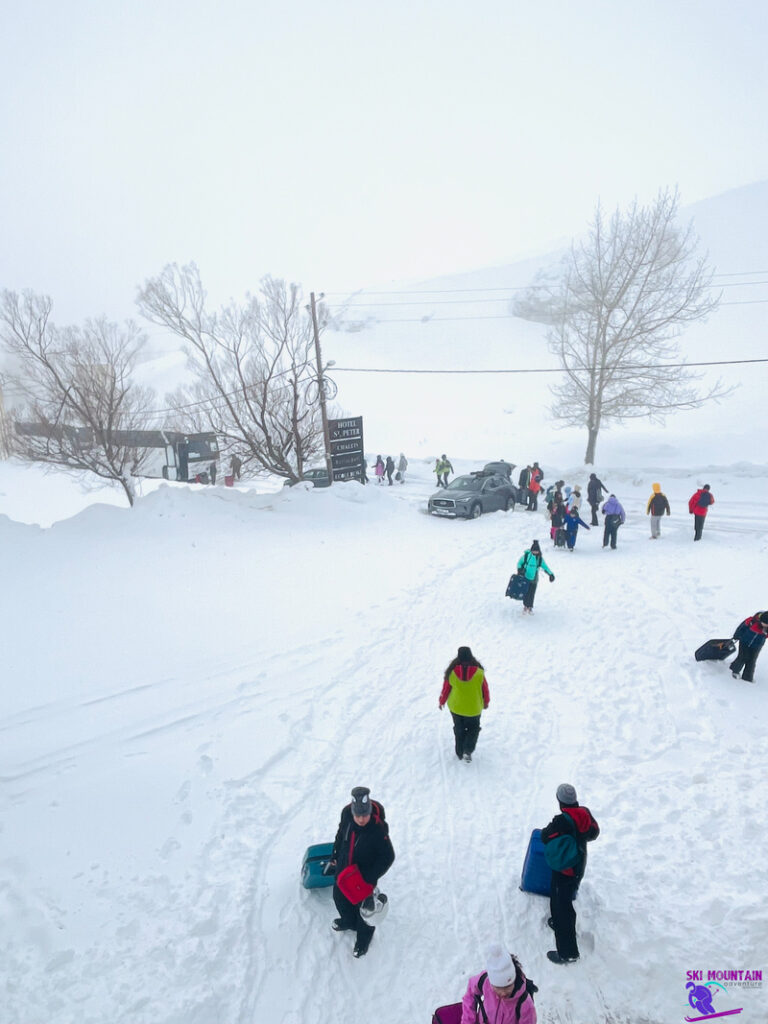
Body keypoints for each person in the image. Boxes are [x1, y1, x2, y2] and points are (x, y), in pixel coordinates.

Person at [327, 786, 395, 958]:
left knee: (365, 910)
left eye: (365, 815)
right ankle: (349, 922)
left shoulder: (377, 829)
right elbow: (340, 835)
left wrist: (369, 877)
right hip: (344, 871)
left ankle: (363, 939)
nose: (361, 819)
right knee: (339, 898)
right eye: (358, 815)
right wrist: (335, 855)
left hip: (363, 878)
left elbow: (388, 856)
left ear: (370, 812)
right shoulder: (346, 815)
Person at [541, 783, 600, 965]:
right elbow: (594, 832)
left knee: (562, 907)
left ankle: (568, 953)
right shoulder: (585, 813)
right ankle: (558, 922)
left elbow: (545, 836)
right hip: (579, 864)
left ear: (560, 801)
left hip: (564, 869)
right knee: (561, 898)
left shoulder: (561, 821)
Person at [460, 945, 538, 1024]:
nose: (503, 993)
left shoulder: (525, 1004)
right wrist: (468, 1021)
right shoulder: (484, 981)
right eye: (497, 988)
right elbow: (470, 992)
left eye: (507, 987)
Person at [438, 646, 489, 763]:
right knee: (473, 729)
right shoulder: (479, 673)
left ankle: (459, 752)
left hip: (456, 707)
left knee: (459, 728)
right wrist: (486, 702)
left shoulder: (451, 673)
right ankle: (467, 749)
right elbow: (485, 690)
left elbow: (446, 689)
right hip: (473, 708)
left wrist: (441, 701)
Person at [516, 540, 555, 614]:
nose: (535, 552)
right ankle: (525, 606)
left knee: (532, 593)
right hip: (525, 577)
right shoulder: (527, 556)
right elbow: (519, 563)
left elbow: (545, 567)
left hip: (534, 578)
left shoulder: (539, 559)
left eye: (536, 551)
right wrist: (520, 570)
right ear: (531, 550)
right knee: (526, 592)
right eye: (534, 551)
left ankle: (530, 607)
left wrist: (551, 574)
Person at [730, 611, 768, 683]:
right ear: (761, 620)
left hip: (757, 646)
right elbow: (741, 627)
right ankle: (735, 670)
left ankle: (747, 677)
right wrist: (736, 636)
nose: (765, 625)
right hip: (744, 642)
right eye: (765, 623)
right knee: (742, 657)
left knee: (752, 661)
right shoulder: (752, 621)